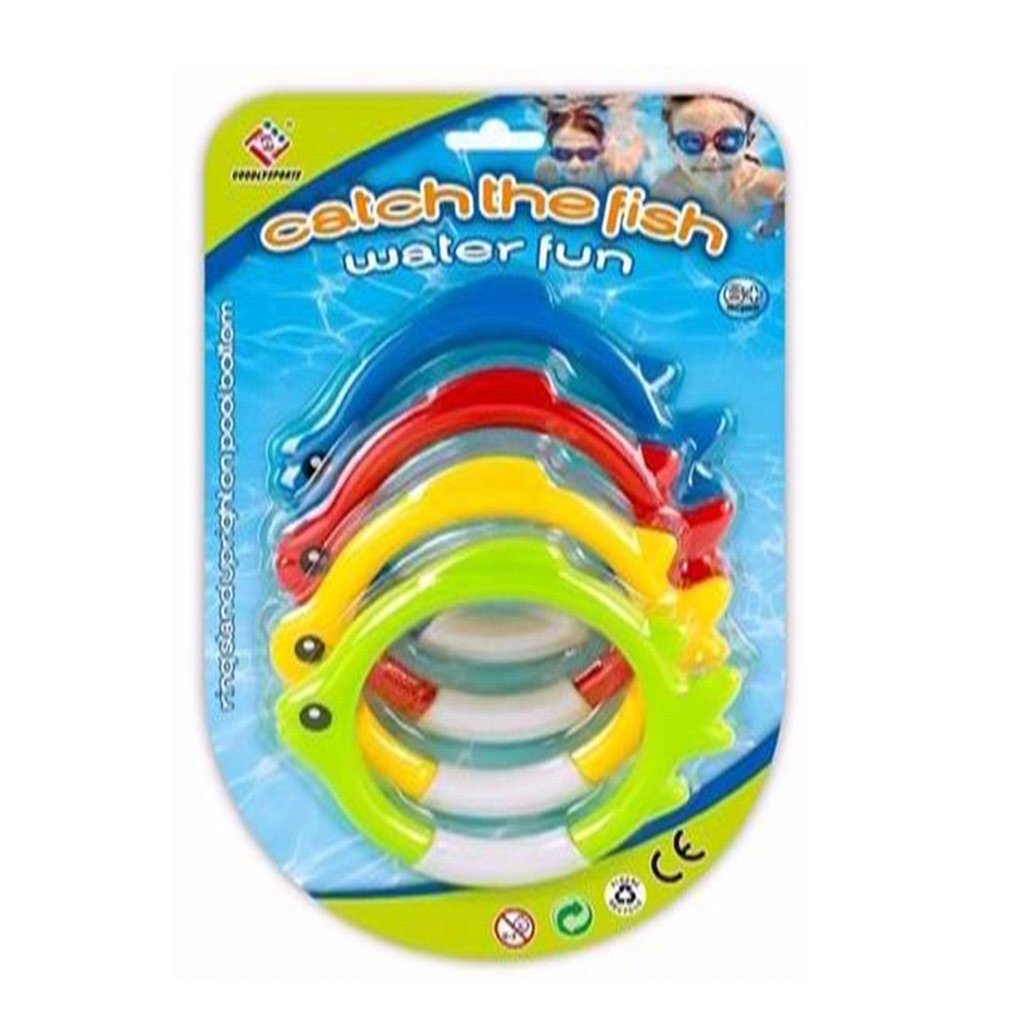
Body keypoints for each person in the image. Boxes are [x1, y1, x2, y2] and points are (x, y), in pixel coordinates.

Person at [653, 94, 784, 234]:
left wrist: (771, 226)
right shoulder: (666, 190)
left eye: (729, 139)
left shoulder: (752, 185)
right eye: (691, 141)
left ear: (748, 140)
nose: (710, 156)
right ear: (673, 147)